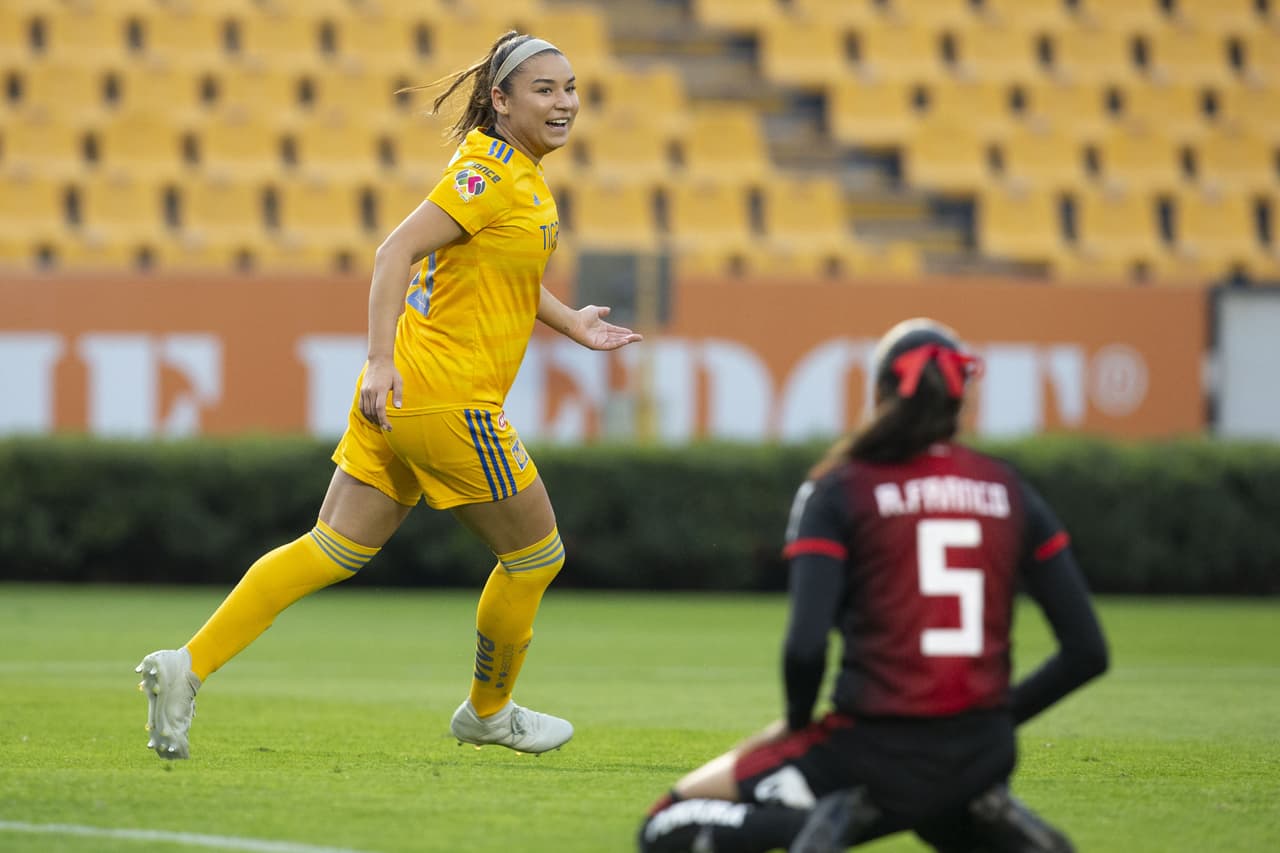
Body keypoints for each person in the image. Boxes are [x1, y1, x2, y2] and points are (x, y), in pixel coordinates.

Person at [136, 31, 641, 760]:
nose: (565, 103)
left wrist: (570, 323)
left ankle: (187, 666)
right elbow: (393, 251)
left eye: (570, 89)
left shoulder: (513, 174)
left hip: (407, 393)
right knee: (536, 556)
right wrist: (376, 360)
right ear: (500, 100)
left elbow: (493, 273)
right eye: (545, 90)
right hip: (446, 398)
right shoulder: (490, 175)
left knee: (331, 549)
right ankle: (488, 711)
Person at [636, 318, 1108, 853]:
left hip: (871, 753)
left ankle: (828, 823)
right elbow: (1087, 653)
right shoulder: (1008, 488)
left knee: (663, 825)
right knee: (941, 803)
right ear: (962, 399)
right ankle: (982, 813)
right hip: (983, 752)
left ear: (880, 394)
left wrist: (795, 725)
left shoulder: (841, 489)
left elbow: (806, 646)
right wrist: (992, 723)